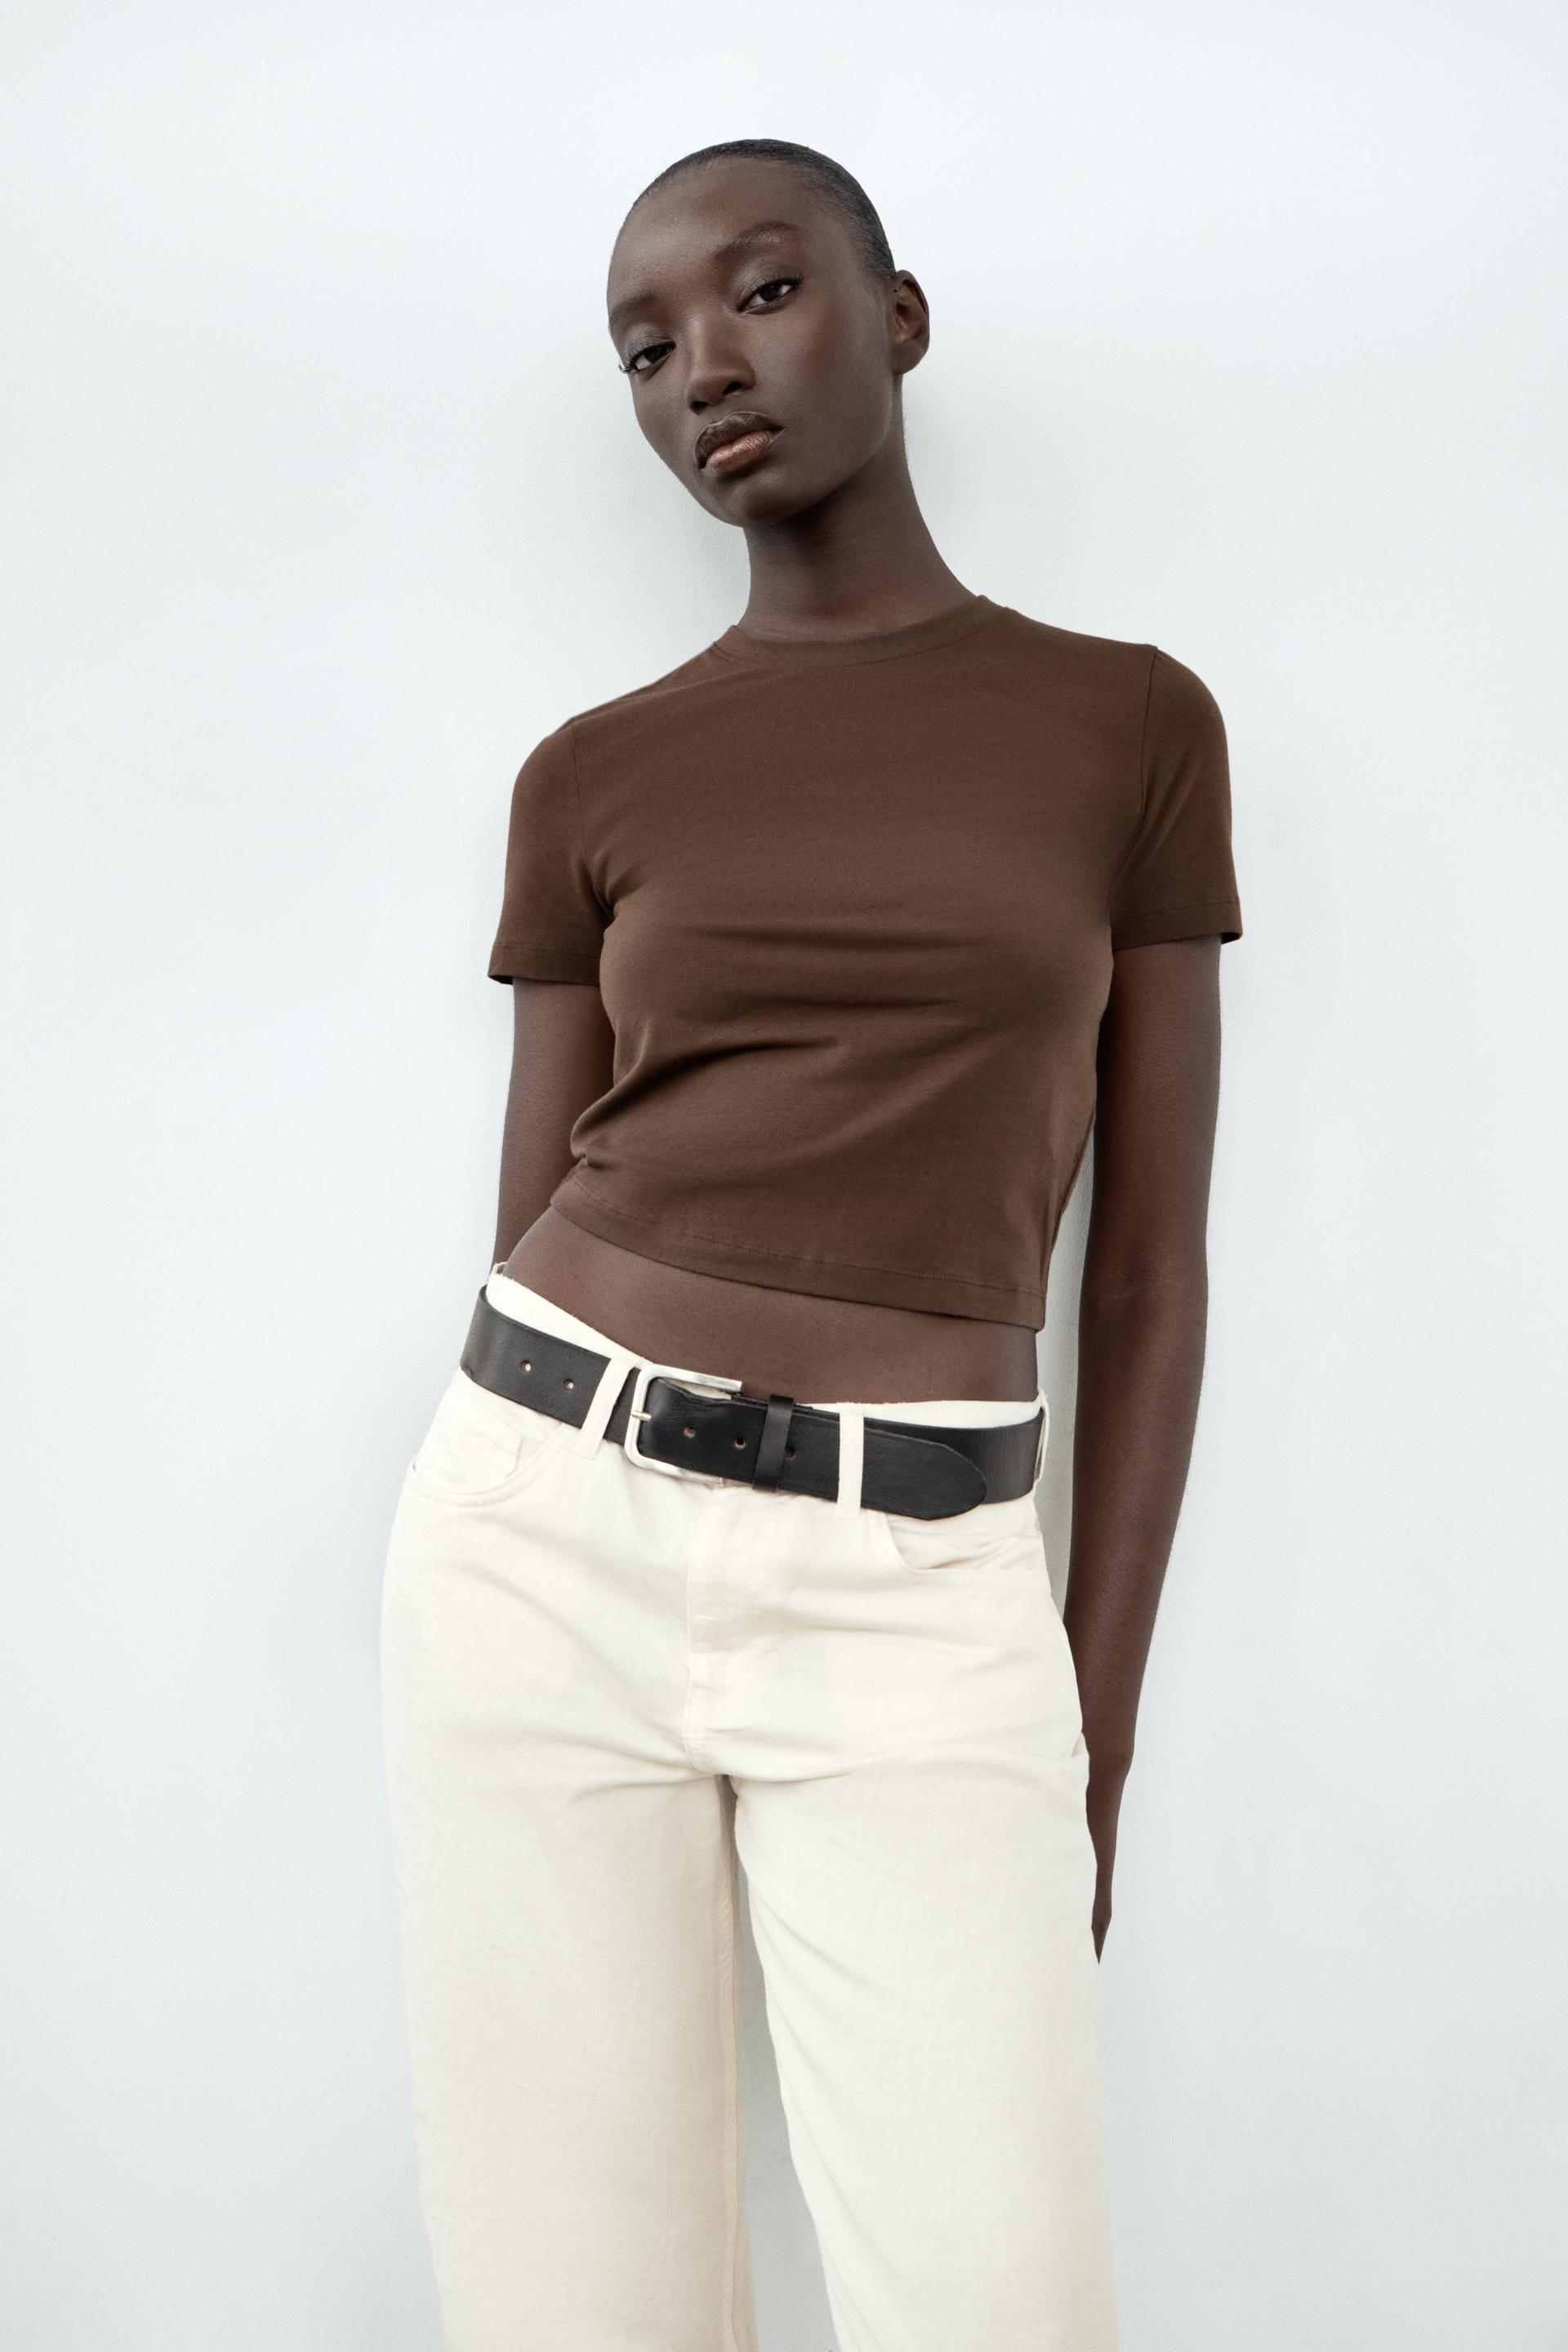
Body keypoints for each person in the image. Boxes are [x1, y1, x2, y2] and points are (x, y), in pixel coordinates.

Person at [381, 135, 1242, 2352]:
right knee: (581, 2313)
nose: (700, 369)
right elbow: (527, 1209)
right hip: (540, 1538)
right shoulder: (593, 772)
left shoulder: (1133, 726)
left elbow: (1147, 1271)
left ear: (899, 316)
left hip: (926, 1587)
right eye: (643, 347)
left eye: (759, 293)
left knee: (1001, 2301)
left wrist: (1088, 1733)